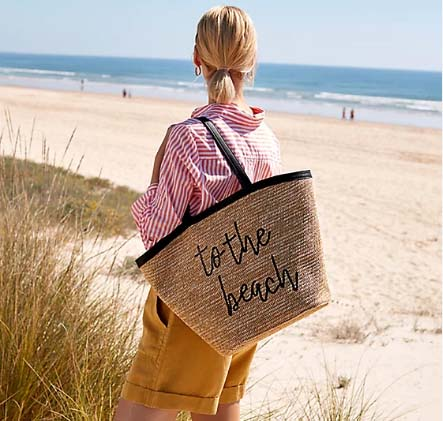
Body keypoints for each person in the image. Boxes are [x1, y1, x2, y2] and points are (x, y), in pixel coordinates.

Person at [113, 6, 282, 421]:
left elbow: (158, 238)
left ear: (196, 59)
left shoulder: (187, 138)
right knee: (222, 411)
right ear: (252, 62)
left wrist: (155, 178)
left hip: (188, 305)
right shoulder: (266, 141)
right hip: (243, 302)